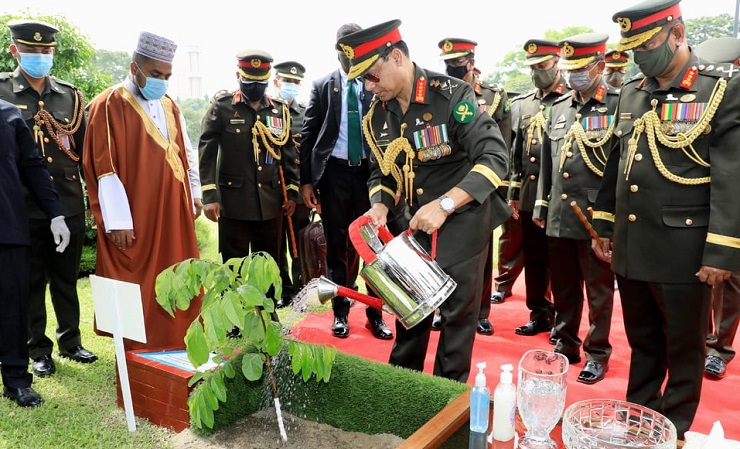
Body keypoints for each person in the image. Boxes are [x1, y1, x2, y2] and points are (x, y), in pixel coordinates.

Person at [592, 0, 740, 437]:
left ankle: (671, 429)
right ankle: (638, 418)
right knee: (643, 342)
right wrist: (604, 223)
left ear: (677, 34)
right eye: (633, 48)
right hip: (634, 245)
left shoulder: (722, 89)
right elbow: (616, 164)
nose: (640, 56)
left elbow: (732, 178)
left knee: (684, 347)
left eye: (647, 44)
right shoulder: (635, 92)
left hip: (686, 250)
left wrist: (723, 251)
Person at [337, 19, 511, 382]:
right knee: (409, 316)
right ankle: (403, 394)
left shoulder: (451, 95)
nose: (368, 87)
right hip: (414, 227)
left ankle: (445, 408)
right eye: (361, 80)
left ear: (396, 57)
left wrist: (446, 204)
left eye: (371, 76)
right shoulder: (378, 115)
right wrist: (380, 205)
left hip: (463, 219)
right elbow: (380, 172)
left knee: (455, 323)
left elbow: (495, 157)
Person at [82, 31, 201, 351]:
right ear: (135, 68)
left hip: (172, 211)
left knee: (177, 272)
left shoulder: (169, 104)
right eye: (155, 74)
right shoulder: (109, 103)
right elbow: (102, 165)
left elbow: (185, 152)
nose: (162, 81)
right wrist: (117, 220)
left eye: (167, 76)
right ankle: (135, 350)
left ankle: (178, 342)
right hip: (135, 213)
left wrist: (195, 193)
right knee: (134, 280)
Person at [0, 19, 96, 378]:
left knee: (66, 278)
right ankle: (38, 349)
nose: (40, 56)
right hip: (22, 206)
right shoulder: (3, 92)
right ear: (15, 51)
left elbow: (83, 152)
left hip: (67, 201)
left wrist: (92, 203)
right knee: (30, 282)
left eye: (45, 51)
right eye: (31, 50)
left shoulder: (69, 95)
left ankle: (71, 340)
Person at [300, 23, 393, 341]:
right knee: (336, 247)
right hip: (335, 175)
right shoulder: (323, 85)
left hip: (371, 177)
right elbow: (309, 135)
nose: (349, 55)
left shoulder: (378, 83)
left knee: (374, 246)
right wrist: (307, 182)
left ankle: (375, 314)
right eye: (344, 48)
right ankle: (340, 314)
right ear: (337, 49)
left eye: (355, 49)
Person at [533, 33, 616, 385]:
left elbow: (618, 165)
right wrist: (541, 204)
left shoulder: (616, 103)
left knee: (598, 291)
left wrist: (610, 221)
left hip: (596, 217)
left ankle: (597, 353)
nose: (572, 76)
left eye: (580, 69)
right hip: (560, 215)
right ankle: (566, 344)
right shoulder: (559, 108)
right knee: (564, 287)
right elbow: (549, 165)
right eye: (569, 69)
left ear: (600, 65)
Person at [199, 49, 299, 318]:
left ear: (268, 81)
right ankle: (234, 317)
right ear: (238, 76)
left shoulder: (279, 111)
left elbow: (288, 155)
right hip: (234, 203)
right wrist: (210, 196)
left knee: (268, 262)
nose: (255, 88)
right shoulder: (222, 108)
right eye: (249, 82)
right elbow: (207, 153)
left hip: (271, 203)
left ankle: (267, 312)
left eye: (261, 83)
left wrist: (292, 193)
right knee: (234, 263)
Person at [433, 37, 515, 336]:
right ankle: (444, 309)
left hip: (482, 189)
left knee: (480, 257)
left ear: (471, 61)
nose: (453, 69)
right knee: (444, 255)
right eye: (448, 64)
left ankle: (480, 312)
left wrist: (500, 194)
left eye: (457, 63)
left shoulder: (494, 97)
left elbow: (502, 147)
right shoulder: (440, 95)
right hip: (447, 189)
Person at [1, 98, 71, 407]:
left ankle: (16, 379)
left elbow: (32, 165)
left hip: (8, 226)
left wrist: (55, 214)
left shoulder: (9, 114)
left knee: (14, 305)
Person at [508, 39, 567, 342]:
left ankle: (563, 321)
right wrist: (515, 193)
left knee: (560, 264)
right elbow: (518, 154)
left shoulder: (572, 99)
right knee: (534, 259)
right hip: (531, 195)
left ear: (557, 62)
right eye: (532, 68)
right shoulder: (523, 104)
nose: (536, 73)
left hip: (559, 197)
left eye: (541, 66)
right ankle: (539, 314)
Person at [691, 36, 740, 380]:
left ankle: (718, 347)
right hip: (711, 199)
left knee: (731, 280)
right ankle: (699, 340)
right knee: (701, 276)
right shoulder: (707, 103)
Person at [271, 61, 311, 309]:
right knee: (276, 247)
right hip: (272, 192)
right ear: (276, 82)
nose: (292, 86)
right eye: (287, 81)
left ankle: (300, 290)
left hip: (298, 192)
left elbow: (309, 156)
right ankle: (284, 289)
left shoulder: (306, 114)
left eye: (296, 83)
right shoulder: (266, 112)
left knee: (300, 244)